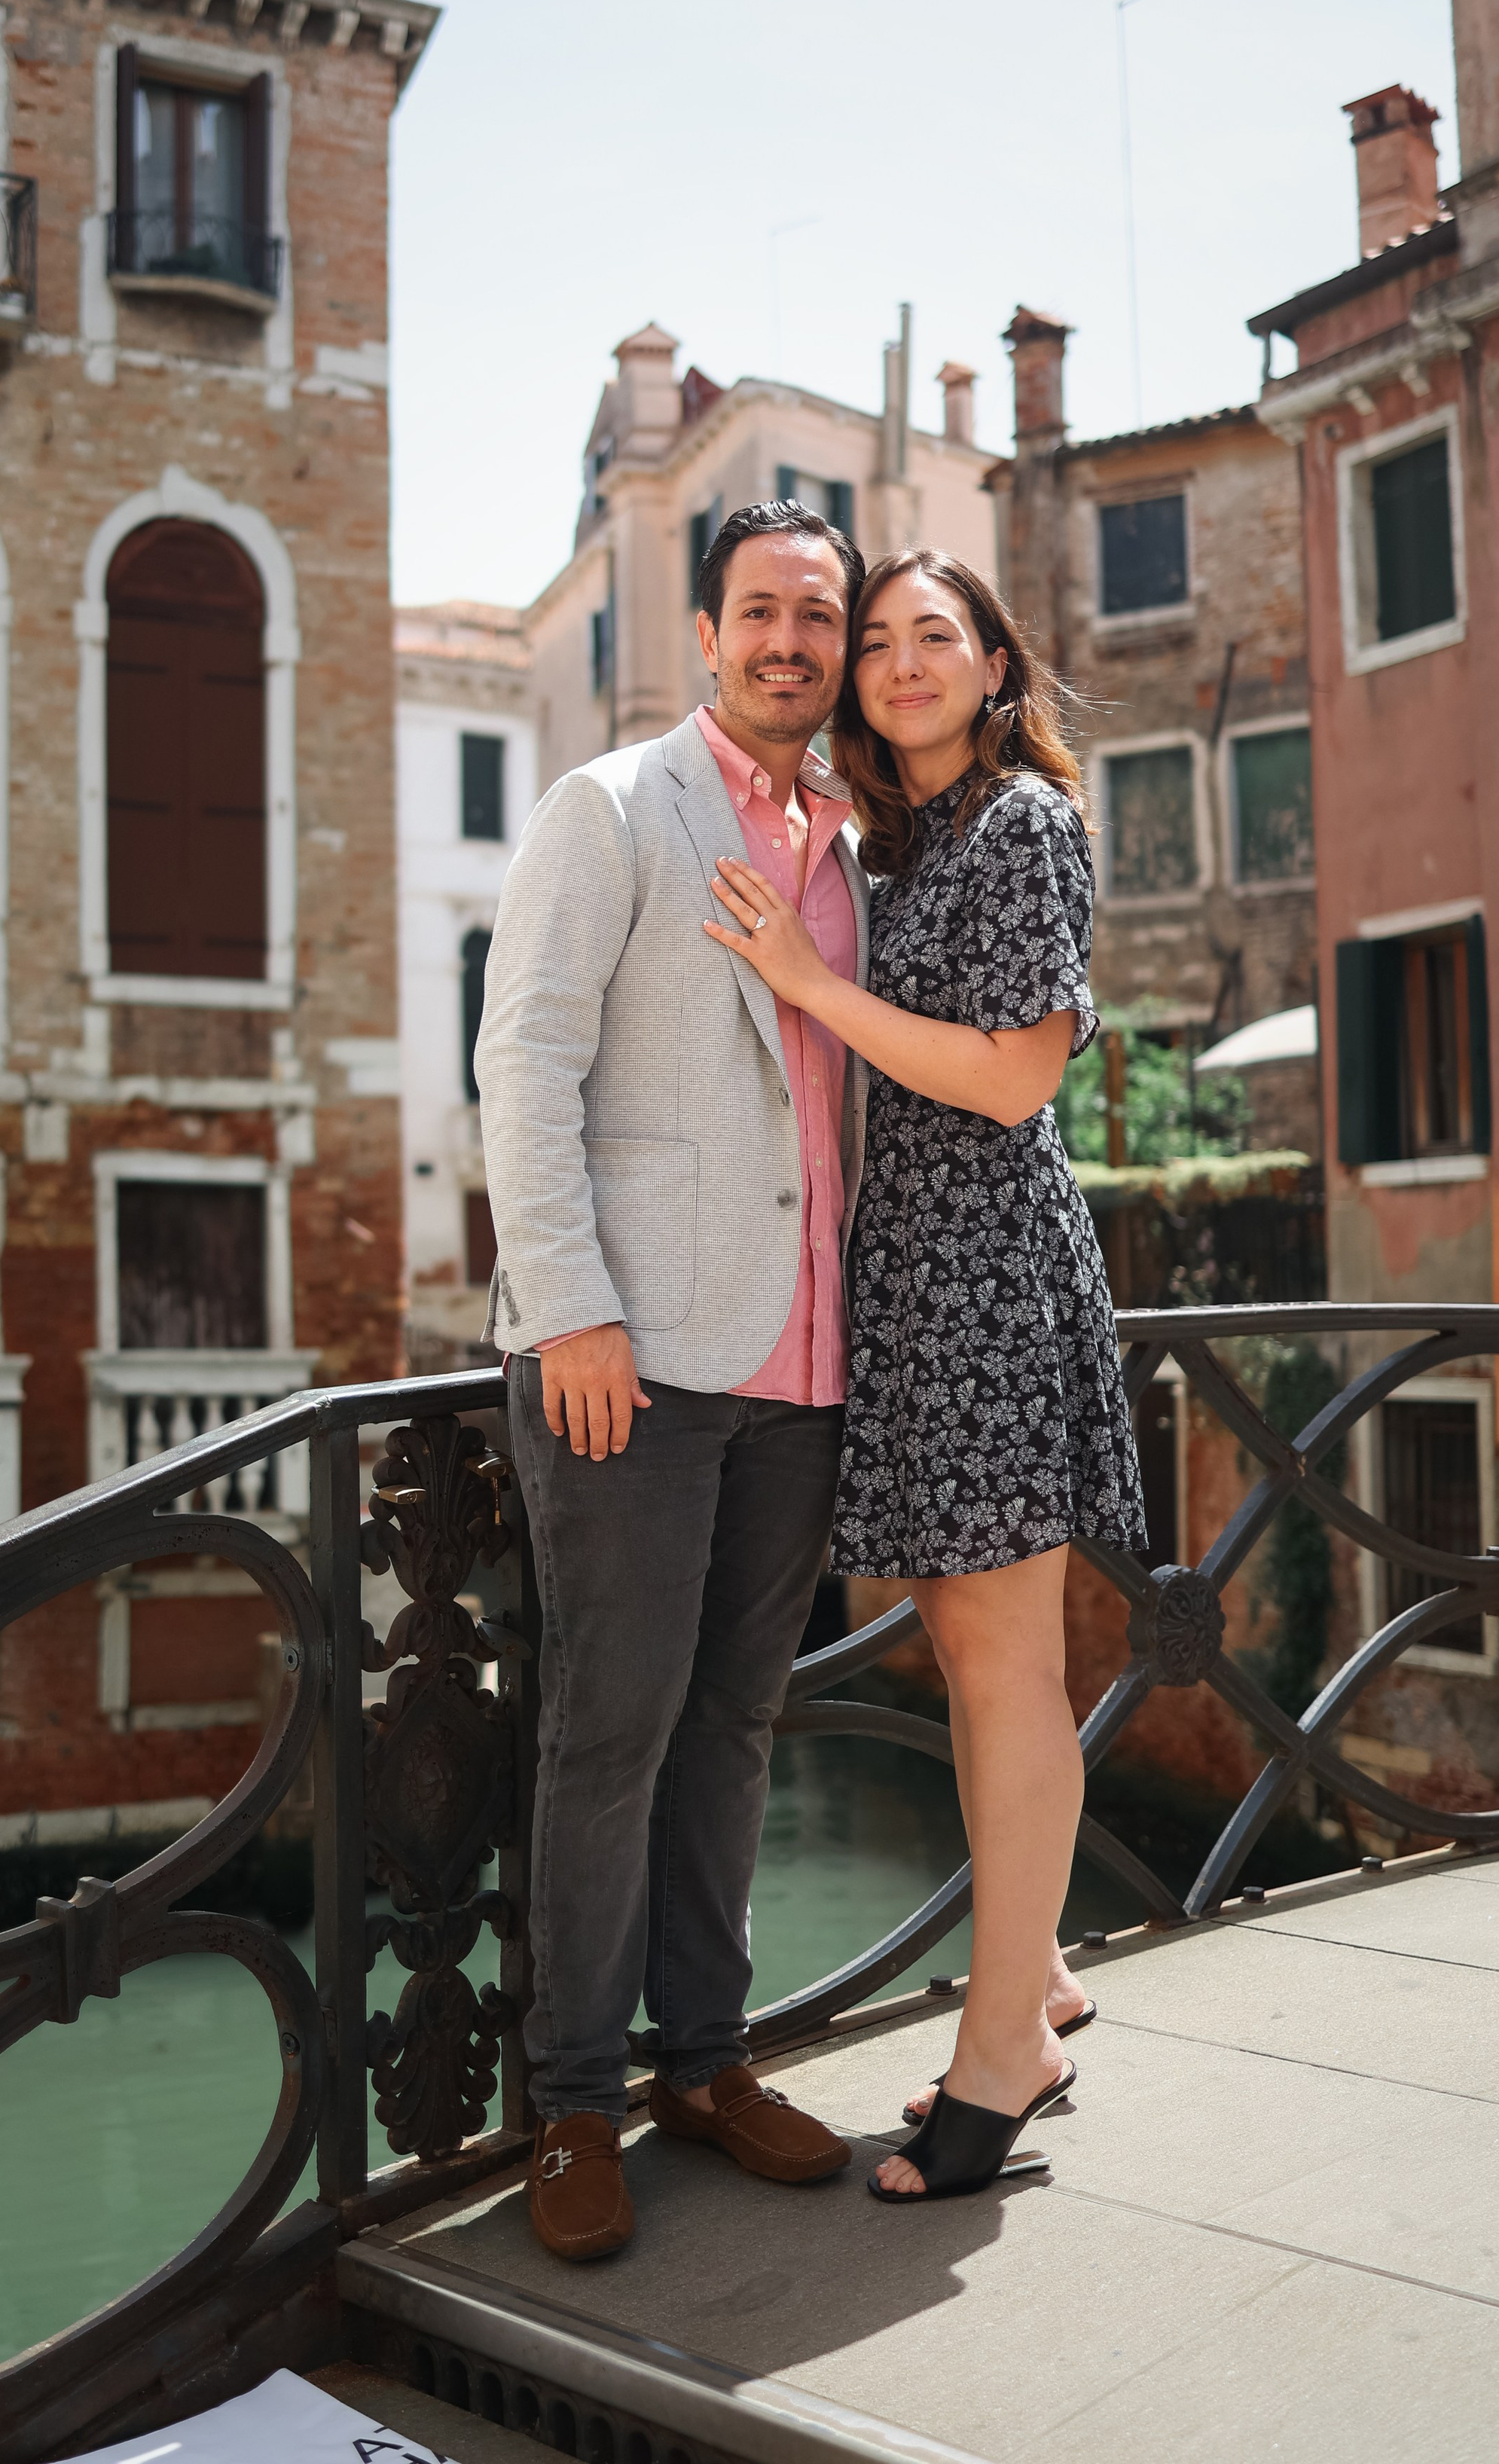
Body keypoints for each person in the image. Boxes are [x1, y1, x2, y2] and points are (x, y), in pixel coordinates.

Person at [702, 547, 1143, 2206]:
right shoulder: (902, 840)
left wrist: (810, 987)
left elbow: (1016, 1079)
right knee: (971, 1660)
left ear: (994, 667)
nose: (895, 661)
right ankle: (1034, 1977)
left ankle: (1001, 2051)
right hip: (913, 1284)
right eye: (873, 638)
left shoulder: (1021, 823)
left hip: (987, 1280)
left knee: (1002, 1666)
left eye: (931, 635)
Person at [476, 498, 869, 2261]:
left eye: (817, 616)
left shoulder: (850, 845)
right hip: (624, 1360)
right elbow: (524, 1056)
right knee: (609, 1726)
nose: (789, 641)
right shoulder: (611, 806)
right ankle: (570, 2105)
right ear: (705, 635)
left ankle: (705, 2062)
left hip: (802, 1360)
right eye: (759, 611)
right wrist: (567, 1306)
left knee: (731, 1727)